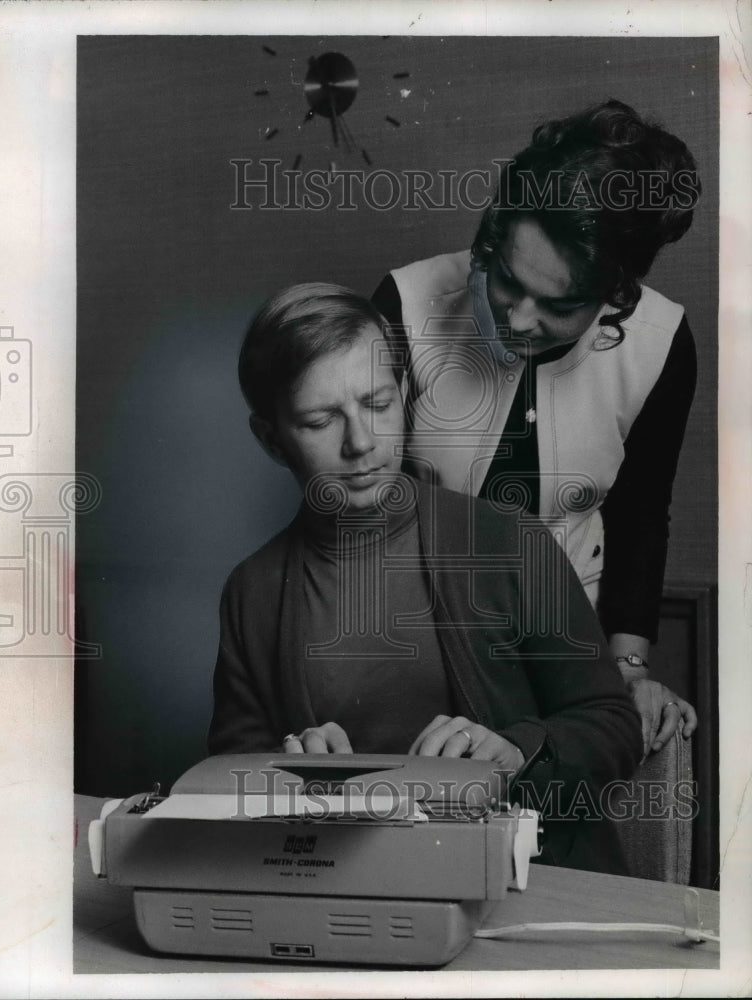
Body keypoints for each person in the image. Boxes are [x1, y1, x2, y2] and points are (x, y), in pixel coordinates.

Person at [208, 282, 643, 875]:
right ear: (271, 439)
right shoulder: (251, 592)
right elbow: (231, 773)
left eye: (378, 404)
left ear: (406, 394)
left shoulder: (509, 541)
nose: (361, 443)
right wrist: (283, 772)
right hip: (347, 889)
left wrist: (516, 750)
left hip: (523, 886)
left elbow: (613, 724)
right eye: (319, 419)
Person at [372, 99, 700, 757]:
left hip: (565, 649)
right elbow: (357, 503)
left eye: (561, 305)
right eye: (507, 281)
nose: (520, 320)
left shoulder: (662, 344)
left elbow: (640, 515)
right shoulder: (406, 306)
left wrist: (628, 671)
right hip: (408, 639)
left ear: (617, 290)